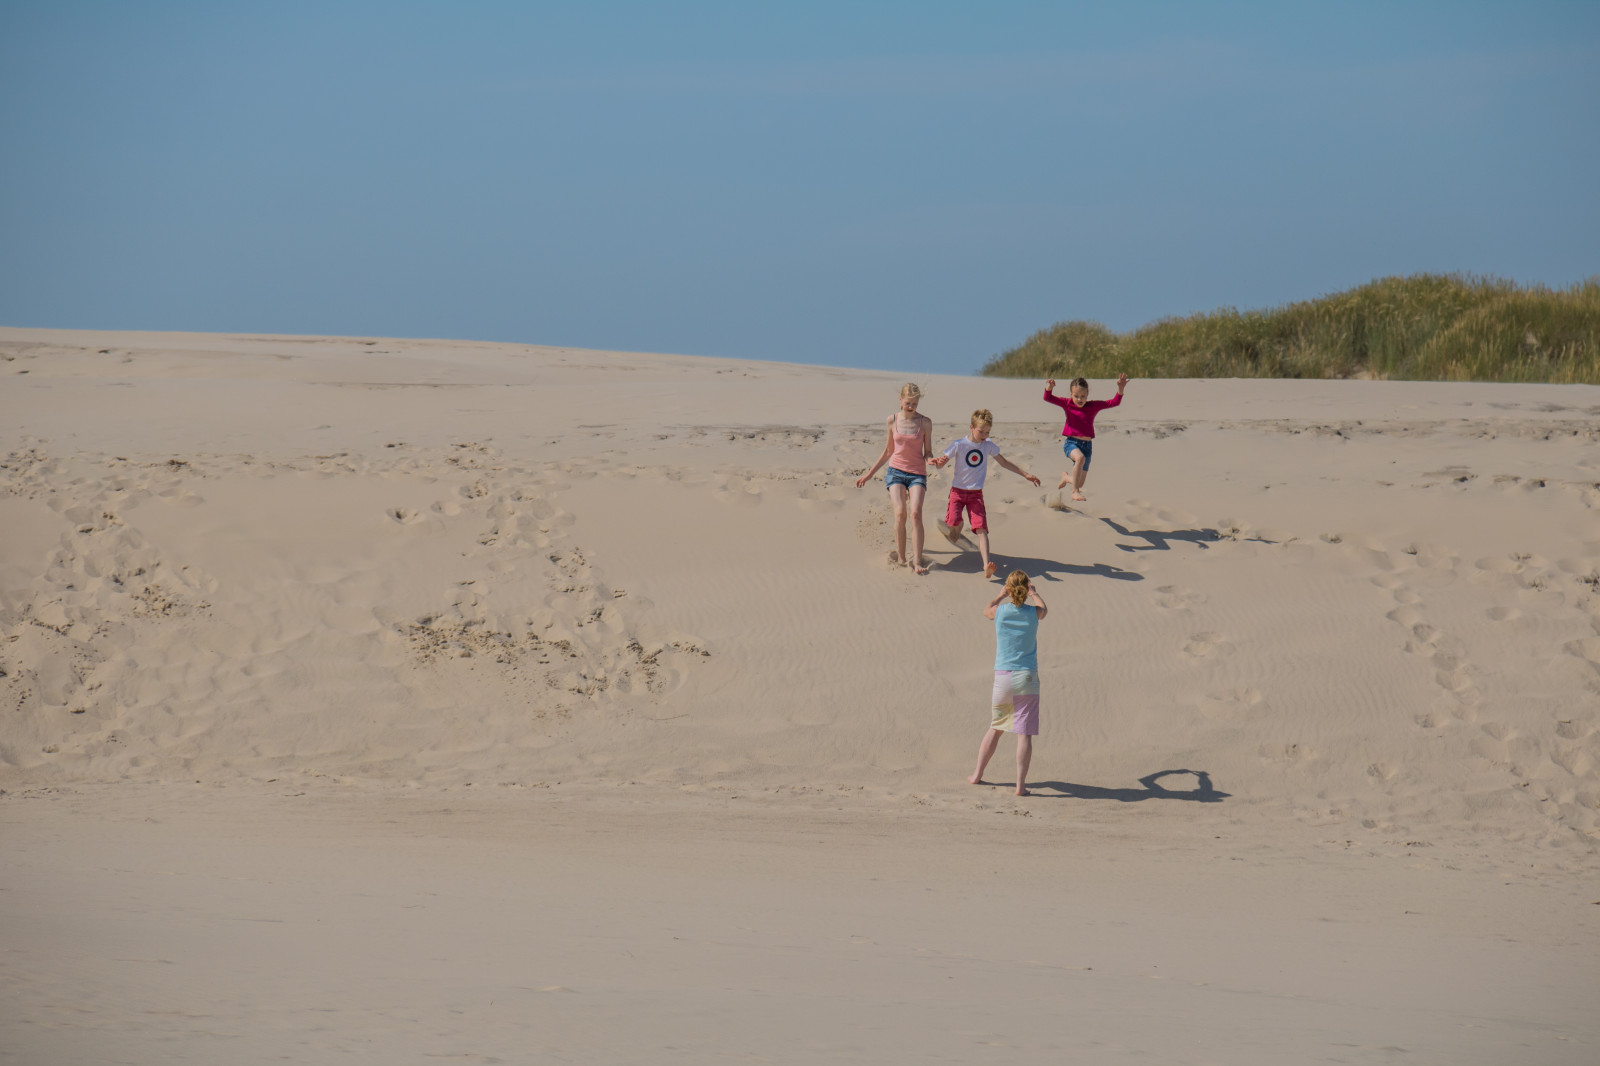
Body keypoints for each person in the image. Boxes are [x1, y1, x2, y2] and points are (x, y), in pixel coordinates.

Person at [929, 409, 1041, 579]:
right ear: (971, 427)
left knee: (981, 529)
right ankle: (955, 530)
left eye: (987, 432)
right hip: (957, 493)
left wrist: (1025, 474)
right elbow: (939, 465)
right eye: (981, 431)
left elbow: (1004, 463)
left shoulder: (988, 445)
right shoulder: (959, 444)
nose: (984, 435)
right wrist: (939, 462)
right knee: (954, 522)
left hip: (976, 495)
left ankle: (986, 565)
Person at [971, 570, 1047, 796]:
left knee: (996, 727)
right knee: (1023, 734)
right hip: (1026, 678)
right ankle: (1020, 787)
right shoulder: (1033, 613)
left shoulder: (1001, 612)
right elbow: (1044, 609)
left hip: (1003, 677)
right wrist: (1034, 594)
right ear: (1025, 590)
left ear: (1009, 589)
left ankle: (977, 774)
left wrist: (999, 595)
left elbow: (986, 610)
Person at [854, 383, 934, 574]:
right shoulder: (891, 420)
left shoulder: (925, 423)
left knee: (915, 513)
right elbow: (889, 450)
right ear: (900, 400)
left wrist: (933, 460)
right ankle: (901, 557)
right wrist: (869, 474)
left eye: (915, 404)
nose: (911, 407)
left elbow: (928, 451)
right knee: (900, 512)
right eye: (908, 403)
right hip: (896, 472)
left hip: (917, 474)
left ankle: (918, 561)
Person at [1042, 373, 1129, 502]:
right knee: (1079, 458)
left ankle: (1066, 478)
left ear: (1087, 395)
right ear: (1071, 395)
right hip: (1071, 444)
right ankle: (1075, 492)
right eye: (1076, 396)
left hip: (1087, 447)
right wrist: (1050, 387)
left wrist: (1121, 388)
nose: (1079, 399)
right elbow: (1047, 398)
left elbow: (1114, 402)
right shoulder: (1067, 403)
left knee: (1080, 481)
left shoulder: (1093, 406)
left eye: (1083, 396)